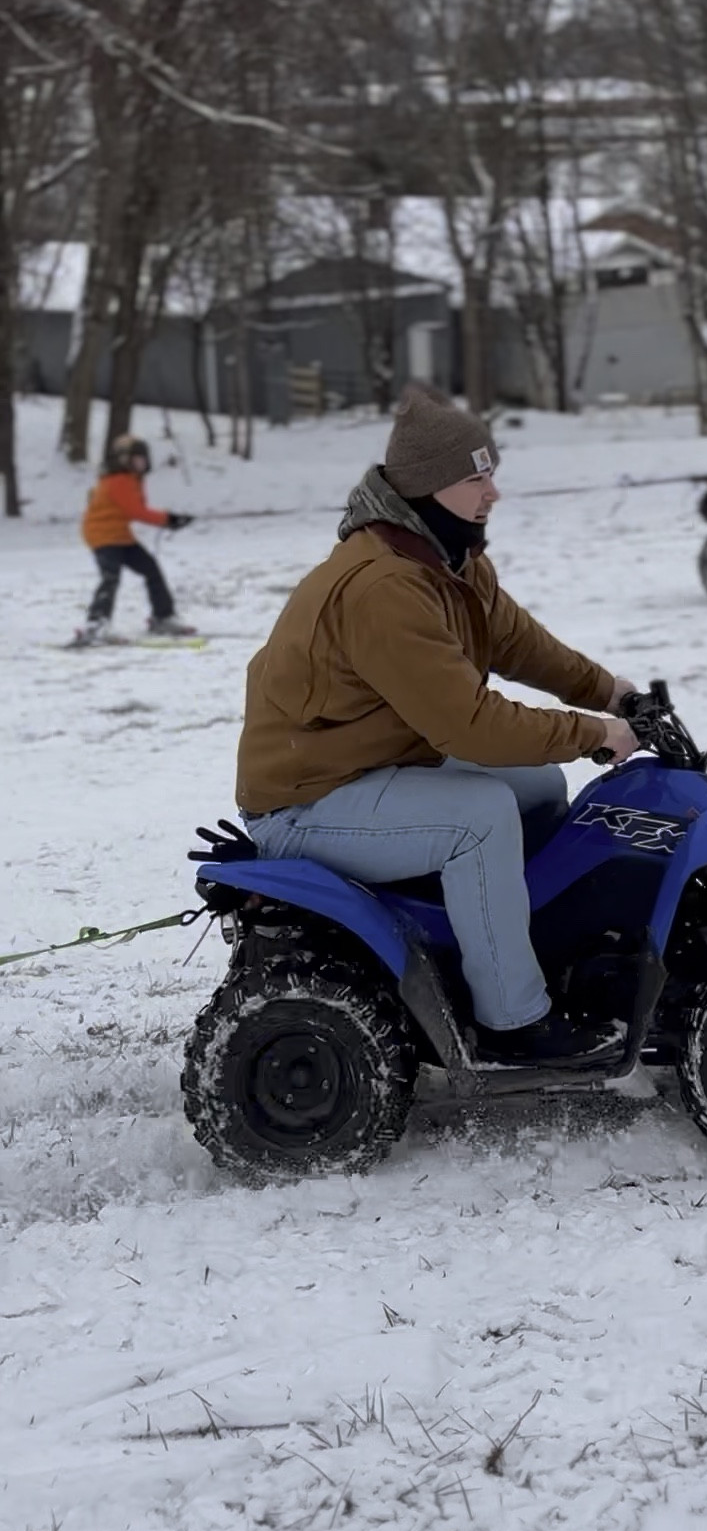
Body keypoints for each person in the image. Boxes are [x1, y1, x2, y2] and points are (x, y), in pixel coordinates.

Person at [236, 383, 639, 1067]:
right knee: (480, 817)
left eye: (492, 473)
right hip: (306, 798)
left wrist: (612, 693)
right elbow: (470, 727)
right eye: (476, 476)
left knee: (536, 786)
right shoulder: (383, 586)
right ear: (429, 487)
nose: (492, 492)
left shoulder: (449, 559)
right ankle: (512, 1021)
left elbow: (520, 645)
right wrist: (592, 733)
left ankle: (502, 938)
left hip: (370, 762)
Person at [79, 435, 195, 642]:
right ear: (124, 460)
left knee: (151, 569)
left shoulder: (132, 480)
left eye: (144, 458)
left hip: (121, 536)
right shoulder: (118, 482)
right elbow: (136, 511)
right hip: (102, 536)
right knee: (110, 577)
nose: (142, 462)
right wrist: (169, 519)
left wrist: (171, 520)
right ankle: (96, 623)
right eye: (137, 458)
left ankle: (163, 616)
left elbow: (133, 511)